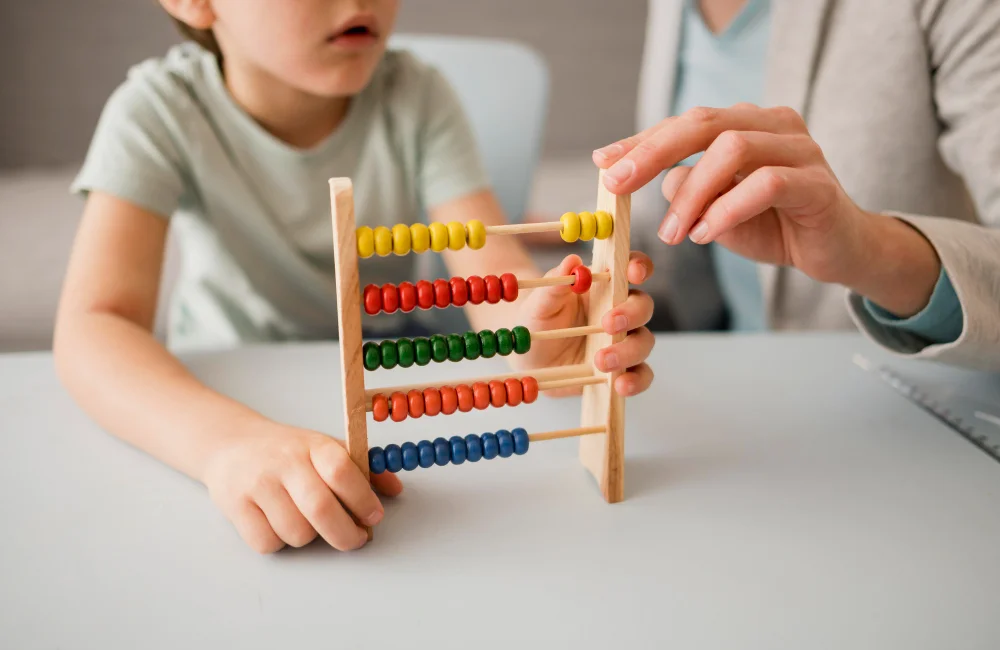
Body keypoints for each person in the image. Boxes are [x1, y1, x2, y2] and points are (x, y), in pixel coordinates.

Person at [53, 0, 656, 554]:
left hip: (382, 367)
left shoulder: (417, 95)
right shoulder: (157, 111)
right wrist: (226, 446)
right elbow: (94, 325)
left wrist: (546, 338)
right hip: (223, 379)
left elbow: (496, 282)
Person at [597, 0, 1000, 369]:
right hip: (732, 387)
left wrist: (870, 250)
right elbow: (679, 278)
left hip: (903, 399)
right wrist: (592, 302)